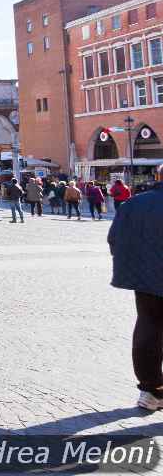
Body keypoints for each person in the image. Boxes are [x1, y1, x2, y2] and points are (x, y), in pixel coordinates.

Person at [107, 164, 163, 410]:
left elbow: (114, 239)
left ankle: (151, 390)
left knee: (148, 326)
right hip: (148, 276)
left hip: (147, 279)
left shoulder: (134, 203)